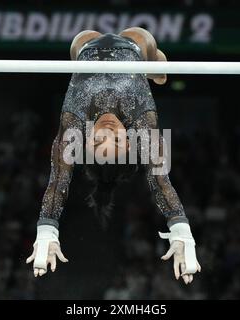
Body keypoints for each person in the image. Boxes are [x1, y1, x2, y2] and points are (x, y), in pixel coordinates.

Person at [26, 27, 201, 285]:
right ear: (131, 143)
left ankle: (155, 70)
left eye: (98, 140)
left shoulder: (74, 122)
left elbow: (57, 181)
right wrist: (181, 230)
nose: (108, 130)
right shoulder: (143, 121)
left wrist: (47, 230)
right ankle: (157, 69)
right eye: (118, 139)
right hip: (133, 45)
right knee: (146, 47)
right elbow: (160, 180)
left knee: (83, 39)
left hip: (86, 47)